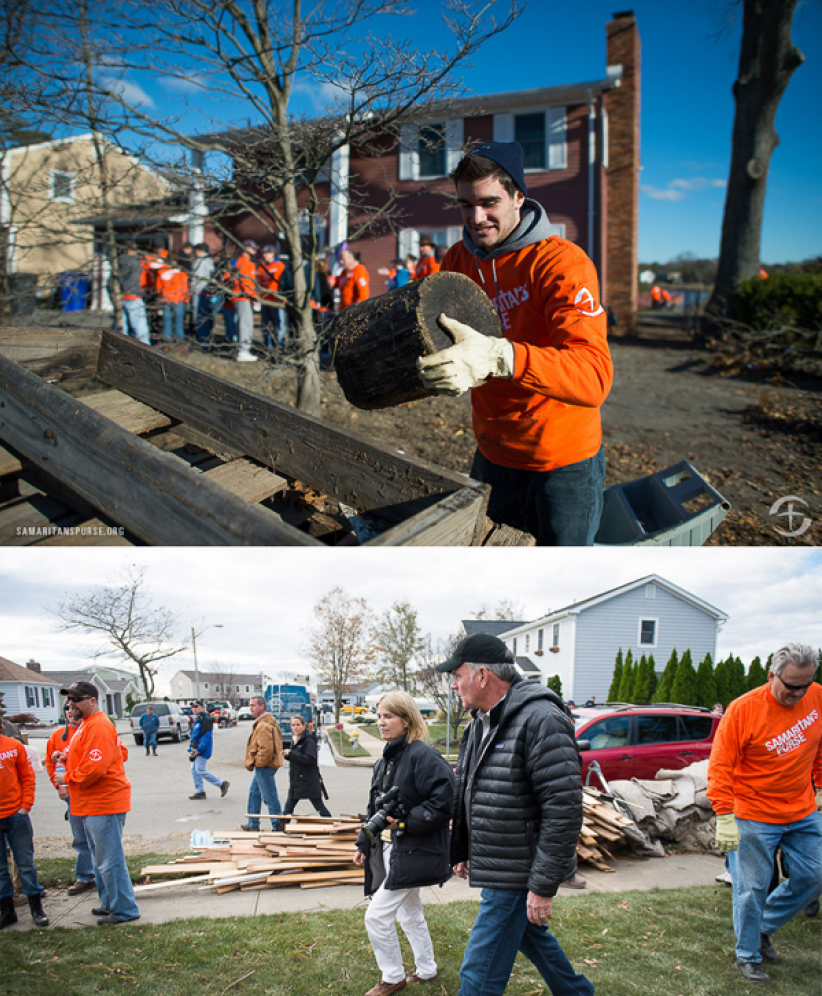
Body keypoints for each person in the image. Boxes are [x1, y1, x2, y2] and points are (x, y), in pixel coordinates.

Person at [417, 142, 613, 547]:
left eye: (490, 202)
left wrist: (499, 355)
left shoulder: (562, 263)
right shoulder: (457, 259)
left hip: (562, 458)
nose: (476, 217)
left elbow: (593, 377)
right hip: (493, 453)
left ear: (519, 197)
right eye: (465, 204)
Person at [436, 633, 594, 996]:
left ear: (482, 676)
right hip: (500, 861)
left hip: (519, 870)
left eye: (457, 675)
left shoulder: (541, 719)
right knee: (531, 938)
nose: (454, 683)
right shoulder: (482, 722)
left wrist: (542, 884)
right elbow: (472, 791)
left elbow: (563, 808)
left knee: (478, 972)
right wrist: (463, 849)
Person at [707, 643, 822, 985]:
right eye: (790, 686)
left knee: (814, 875)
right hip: (753, 813)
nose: (798, 693)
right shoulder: (743, 709)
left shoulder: (816, 697)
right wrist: (724, 815)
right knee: (752, 887)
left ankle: (763, 927)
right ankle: (748, 955)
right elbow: (721, 765)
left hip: (802, 809)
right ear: (772, 675)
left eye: (805, 685)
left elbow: (818, 748)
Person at [353, 691, 454, 996]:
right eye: (379, 715)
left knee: (377, 916)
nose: (380, 722)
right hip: (391, 848)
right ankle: (427, 969)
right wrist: (363, 843)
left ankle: (392, 976)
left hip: (415, 850)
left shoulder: (424, 756)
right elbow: (376, 807)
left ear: (407, 720)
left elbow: (444, 802)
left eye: (388, 716)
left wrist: (407, 821)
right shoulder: (387, 757)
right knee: (409, 913)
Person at [54, 681, 140, 926]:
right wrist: (68, 756)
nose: (72, 704)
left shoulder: (99, 725)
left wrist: (67, 776)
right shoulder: (85, 726)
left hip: (104, 803)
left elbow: (95, 768)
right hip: (90, 804)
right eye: (69, 700)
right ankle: (110, 903)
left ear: (92, 700)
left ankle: (124, 909)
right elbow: (117, 752)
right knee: (98, 859)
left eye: (77, 699)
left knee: (109, 860)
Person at [44, 702, 95, 896]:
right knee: (80, 837)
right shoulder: (57, 737)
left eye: (73, 707)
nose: (70, 712)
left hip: (91, 793)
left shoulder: (90, 731)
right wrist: (58, 785)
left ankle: (100, 876)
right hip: (72, 795)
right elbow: (50, 763)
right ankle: (85, 876)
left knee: (97, 837)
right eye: (66, 709)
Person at [0, 727, 49, 929]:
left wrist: (25, 806)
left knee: (25, 864)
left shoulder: (13, 746)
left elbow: (27, 777)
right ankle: (7, 911)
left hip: (15, 816)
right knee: (1, 868)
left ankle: (36, 909)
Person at [241, 696, 283, 832]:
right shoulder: (263, 723)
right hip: (263, 766)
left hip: (264, 766)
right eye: (250, 705)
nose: (251, 708)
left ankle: (278, 826)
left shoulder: (263, 725)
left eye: (254, 705)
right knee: (254, 793)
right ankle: (253, 823)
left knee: (269, 796)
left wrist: (259, 763)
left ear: (262, 706)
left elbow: (266, 749)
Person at [281, 715, 332, 821]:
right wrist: (288, 756)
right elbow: (297, 759)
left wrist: (292, 753)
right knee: (288, 809)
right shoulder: (295, 739)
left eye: (298, 725)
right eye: (293, 725)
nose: (295, 728)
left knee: (319, 807)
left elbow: (310, 759)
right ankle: (280, 830)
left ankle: (333, 825)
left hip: (308, 781)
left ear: (304, 726)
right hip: (296, 781)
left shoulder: (309, 741)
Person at [189, 701, 230, 801]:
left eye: (196, 706)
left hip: (202, 749)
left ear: (202, 707)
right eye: (192, 707)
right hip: (196, 748)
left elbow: (206, 736)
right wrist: (191, 749)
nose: (194, 709)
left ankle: (221, 784)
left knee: (200, 770)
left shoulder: (205, 719)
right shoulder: (198, 719)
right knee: (194, 770)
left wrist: (199, 749)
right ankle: (200, 791)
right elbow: (194, 736)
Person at [115, 243, 151, 345]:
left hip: (121, 297)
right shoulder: (135, 262)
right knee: (140, 328)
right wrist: (128, 289)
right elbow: (134, 279)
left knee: (122, 329)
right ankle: (146, 351)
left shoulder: (118, 262)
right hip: (133, 296)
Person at [232, 239, 260, 362]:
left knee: (243, 323)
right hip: (244, 297)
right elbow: (247, 282)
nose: (255, 251)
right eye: (253, 249)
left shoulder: (239, 261)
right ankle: (243, 351)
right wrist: (254, 298)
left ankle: (243, 349)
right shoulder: (247, 263)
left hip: (239, 296)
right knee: (246, 324)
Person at [257, 245, 288, 350]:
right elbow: (259, 283)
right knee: (266, 324)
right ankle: (267, 345)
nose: (264, 255)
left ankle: (279, 345)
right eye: (263, 253)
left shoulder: (279, 266)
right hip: (265, 300)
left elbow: (282, 282)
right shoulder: (262, 267)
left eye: (267, 253)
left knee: (278, 324)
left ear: (273, 253)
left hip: (276, 301)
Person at [157, 252, 189, 343]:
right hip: (178, 299)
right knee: (179, 321)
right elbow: (184, 287)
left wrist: (161, 295)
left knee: (166, 320)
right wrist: (186, 299)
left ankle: (167, 341)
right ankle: (179, 341)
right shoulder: (181, 271)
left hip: (166, 298)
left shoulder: (162, 270)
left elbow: (158, 286)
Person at [191, 243, 218, 348]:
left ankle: (202, 341)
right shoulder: (210, 261)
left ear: (198, 250)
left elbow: (195, 278)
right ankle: (205, 340)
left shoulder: (200, 261)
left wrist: (192, 289)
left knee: (199, 317)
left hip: (199, 292)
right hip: (207, 292)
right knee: (206, 316)